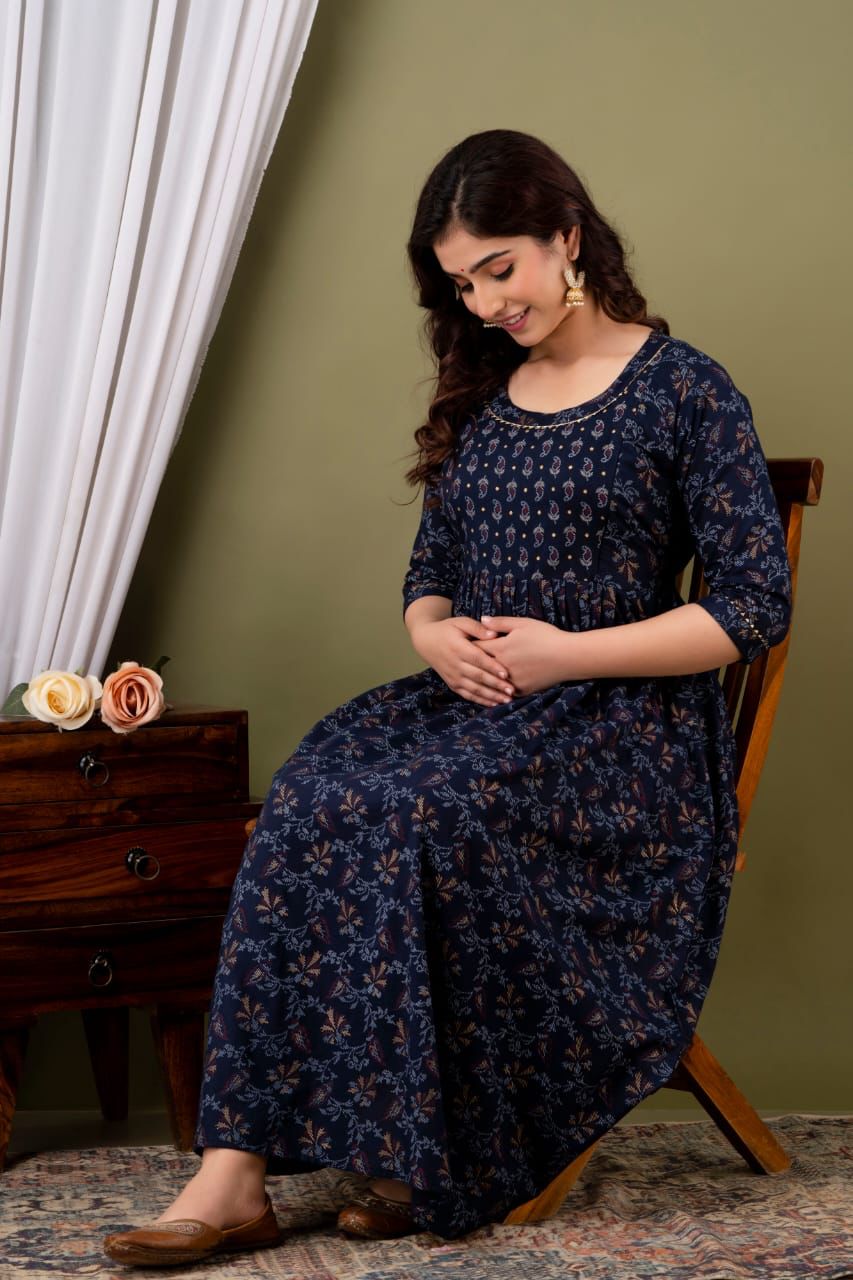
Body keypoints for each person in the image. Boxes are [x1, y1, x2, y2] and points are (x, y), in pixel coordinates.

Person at [103, 128, 792, 1267]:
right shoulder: (484, 392)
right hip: (471, 708)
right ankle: (233, 1175)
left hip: (618, 733)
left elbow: (752, 606)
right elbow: (431, 576)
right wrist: (433, 635)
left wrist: (567, 655)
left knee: (417, 808)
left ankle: (408, 1155)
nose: (483, 303)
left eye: (498, 269)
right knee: (313, 794)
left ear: (566, 236)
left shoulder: (684, 390)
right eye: (462, 283)